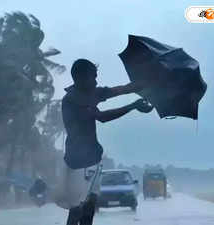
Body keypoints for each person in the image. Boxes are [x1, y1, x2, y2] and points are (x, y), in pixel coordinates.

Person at [58, 59, 153, 225]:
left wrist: (141, 85)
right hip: (76, 164)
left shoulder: (89, 92)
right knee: (76, 211)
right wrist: (133, 106)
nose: (96, 81)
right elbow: (102, 117)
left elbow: (118, 90)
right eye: (93, 77)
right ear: (80, 78)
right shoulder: (71, 101)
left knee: (88, 210)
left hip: (93, 160)